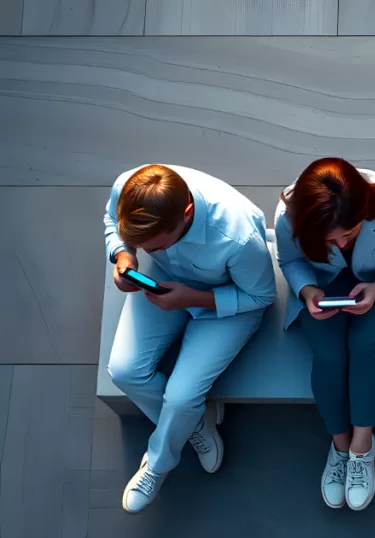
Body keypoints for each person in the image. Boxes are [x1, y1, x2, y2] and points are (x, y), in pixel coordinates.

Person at [104, 164, 276, 513]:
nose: (148, 250)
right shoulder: (128, 185)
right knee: (123, 371)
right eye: (144, 245)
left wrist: (192, 299)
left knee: (181, 397)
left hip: (228, 302)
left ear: (186, 214)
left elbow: (261, 296)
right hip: (166, 283)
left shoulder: (237, 236)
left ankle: (159, 462)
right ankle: (195, 424)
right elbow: (112, 223)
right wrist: (124, 255)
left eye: (156, 245)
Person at [275, 157, 375, 511]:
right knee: (328, 354)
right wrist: (306, 290)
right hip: (323, 287)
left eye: (350, 234)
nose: (342, 244)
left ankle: (361, 447)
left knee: (364, 343)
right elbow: (291, 262)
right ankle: (339, 445)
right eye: (331, 239)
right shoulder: (289, 218)